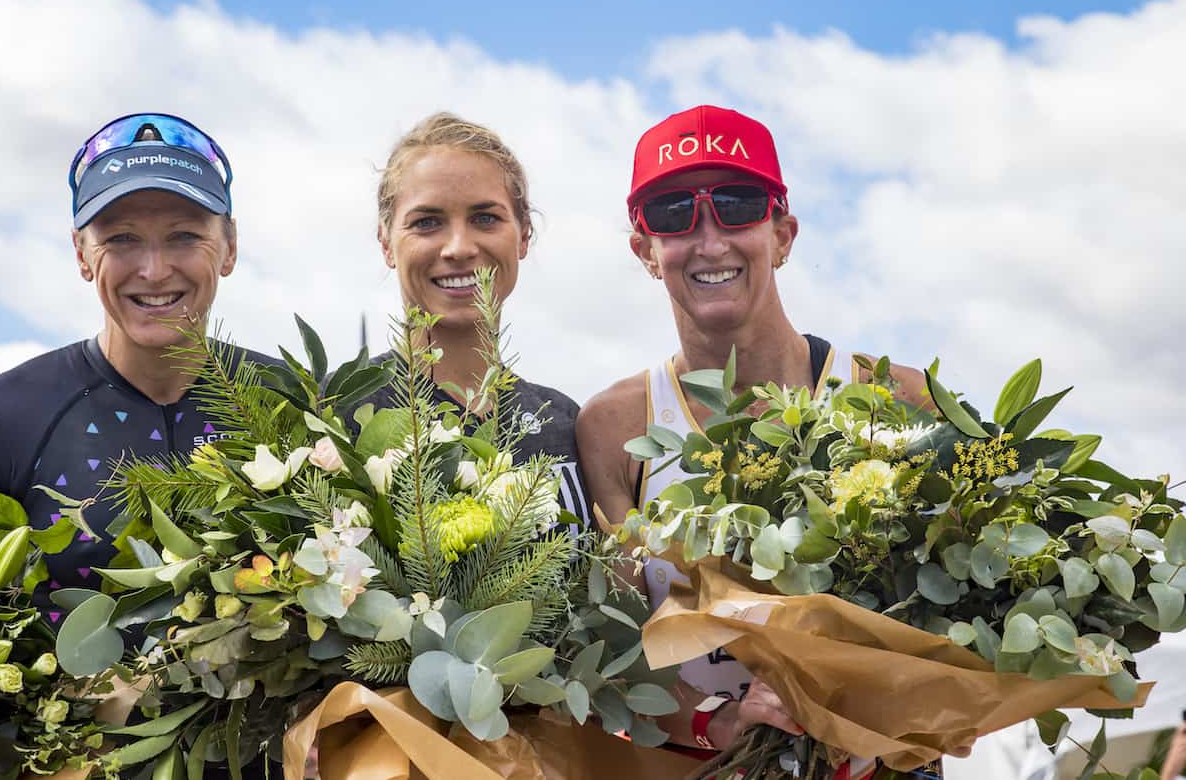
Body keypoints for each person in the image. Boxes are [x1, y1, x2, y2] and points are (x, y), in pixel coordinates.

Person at [576, 105, 929, 759]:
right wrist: (729, 721)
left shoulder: (899, 398)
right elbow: (623, 648)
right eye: (675, 214)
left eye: (737, 204)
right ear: (645, 251)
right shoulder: (615, 426)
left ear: (784, 234)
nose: (710, 241)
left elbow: (962, 614)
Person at [0, 111, 278, 629]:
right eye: (121, 239)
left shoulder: (294, 405)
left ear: (230, 246)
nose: (154, 269)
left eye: (185, 236)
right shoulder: (1, 419)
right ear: (81, 252)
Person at [355, 111, 588, 520]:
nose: (459, 247)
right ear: (385, 242)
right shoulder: (336, 418)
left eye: (485, 218)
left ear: (524, 235)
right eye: (427, 222)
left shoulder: (569, 426)